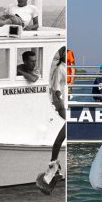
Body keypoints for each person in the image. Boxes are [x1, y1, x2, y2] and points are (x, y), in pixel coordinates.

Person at [36, 46, 66, 194]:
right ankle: (54, 165)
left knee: (59, 140)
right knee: (59, 140)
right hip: (64, 106)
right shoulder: (61, 68)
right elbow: (57, 89)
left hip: (68, 106)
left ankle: (54, 165)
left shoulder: (69, 68)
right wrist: (61, 106)